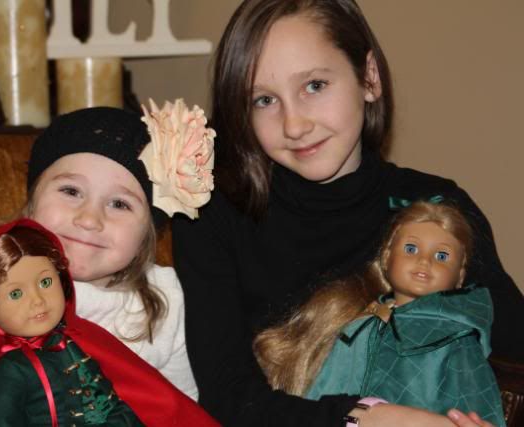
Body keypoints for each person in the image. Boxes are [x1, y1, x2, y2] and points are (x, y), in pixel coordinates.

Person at [171, 0, 523, 426]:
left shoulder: (435, 210)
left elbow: (514, 354)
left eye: (315, 85)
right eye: (264, 100)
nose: (294, 125)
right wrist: (365, 420)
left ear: (369, 77)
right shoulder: (211, 213)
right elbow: (229, 399)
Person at [0, 219, 219, 426]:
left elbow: (112, 400)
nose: (38, 300)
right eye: (16, 293)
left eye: (46, 282)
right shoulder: (11, 370)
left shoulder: (74, 342)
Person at [254, 200, 506, 427]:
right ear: (386, 257)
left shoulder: (455, 338)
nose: (425, 261)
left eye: (441, 256)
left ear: (460, 275)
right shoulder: (360, 322)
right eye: (411, 249)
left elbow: (476, 399)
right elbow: (325, 391)